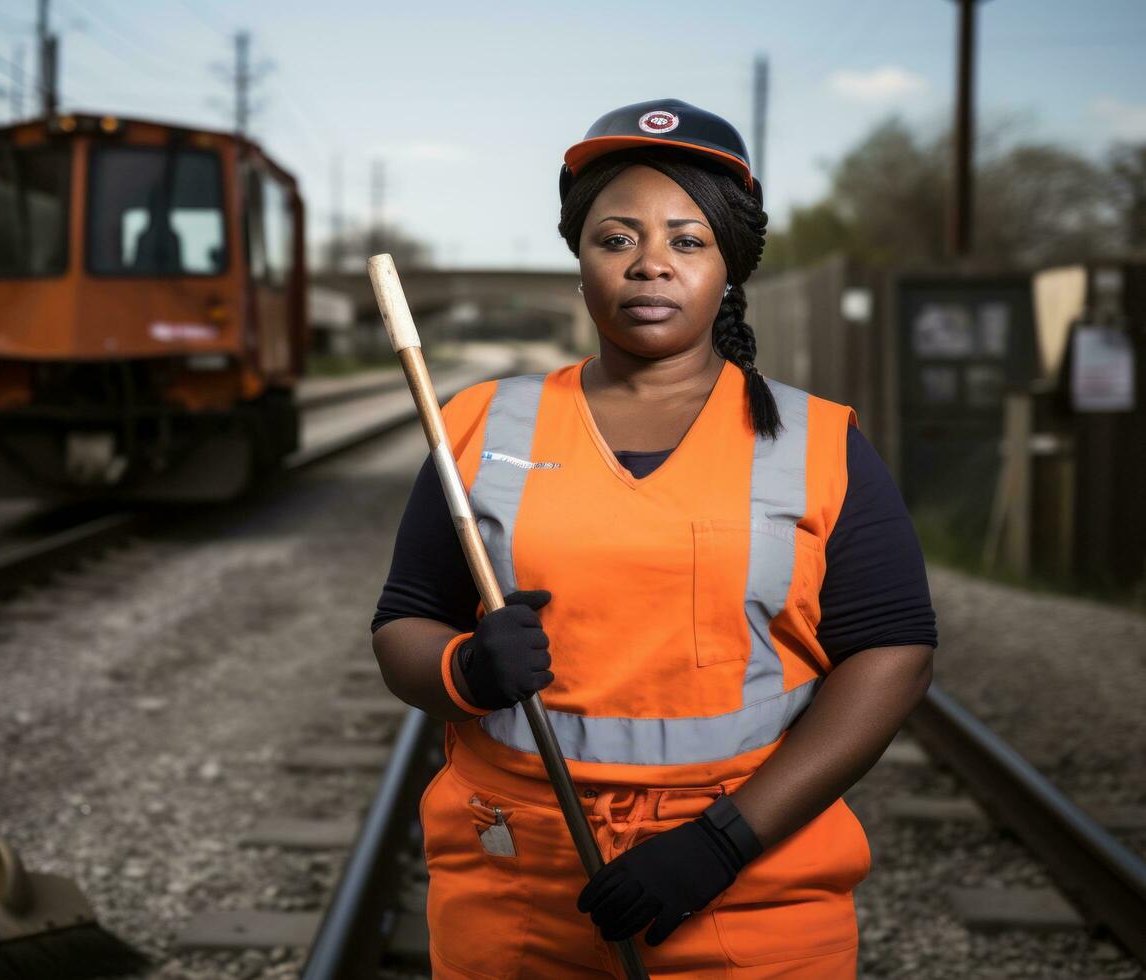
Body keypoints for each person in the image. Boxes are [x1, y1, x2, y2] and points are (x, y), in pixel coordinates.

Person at [371, 98, 937, 978]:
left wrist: (720, 843)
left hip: (750, 885)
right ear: (580, 260)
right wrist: (464, 671)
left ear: (727, 266)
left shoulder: (817, 439)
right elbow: (404, 619)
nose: (648, 266)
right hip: (515, 883)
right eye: (615, 239)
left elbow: (892, 653)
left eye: (685, 240)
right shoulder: (480, 422)